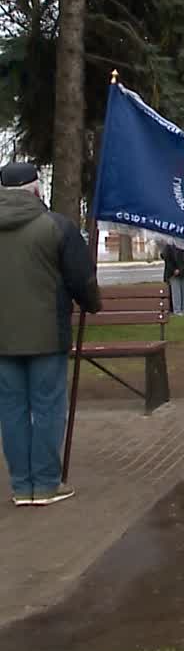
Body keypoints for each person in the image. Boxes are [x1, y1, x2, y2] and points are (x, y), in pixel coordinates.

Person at [0, 161, 101, 506]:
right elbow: (79, 278)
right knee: (47, 407)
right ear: (36, 188)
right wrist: (91, 302)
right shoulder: (57, 226)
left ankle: (20, 485)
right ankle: (45, 483)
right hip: (46, 333)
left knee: (11, 410)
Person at [162, 243, 184, 315]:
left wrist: (182, 269)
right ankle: (177, 310)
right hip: (174, 273)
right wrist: (174, 269)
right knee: (176, 292)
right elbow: (167, 258)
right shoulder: (169, 246)